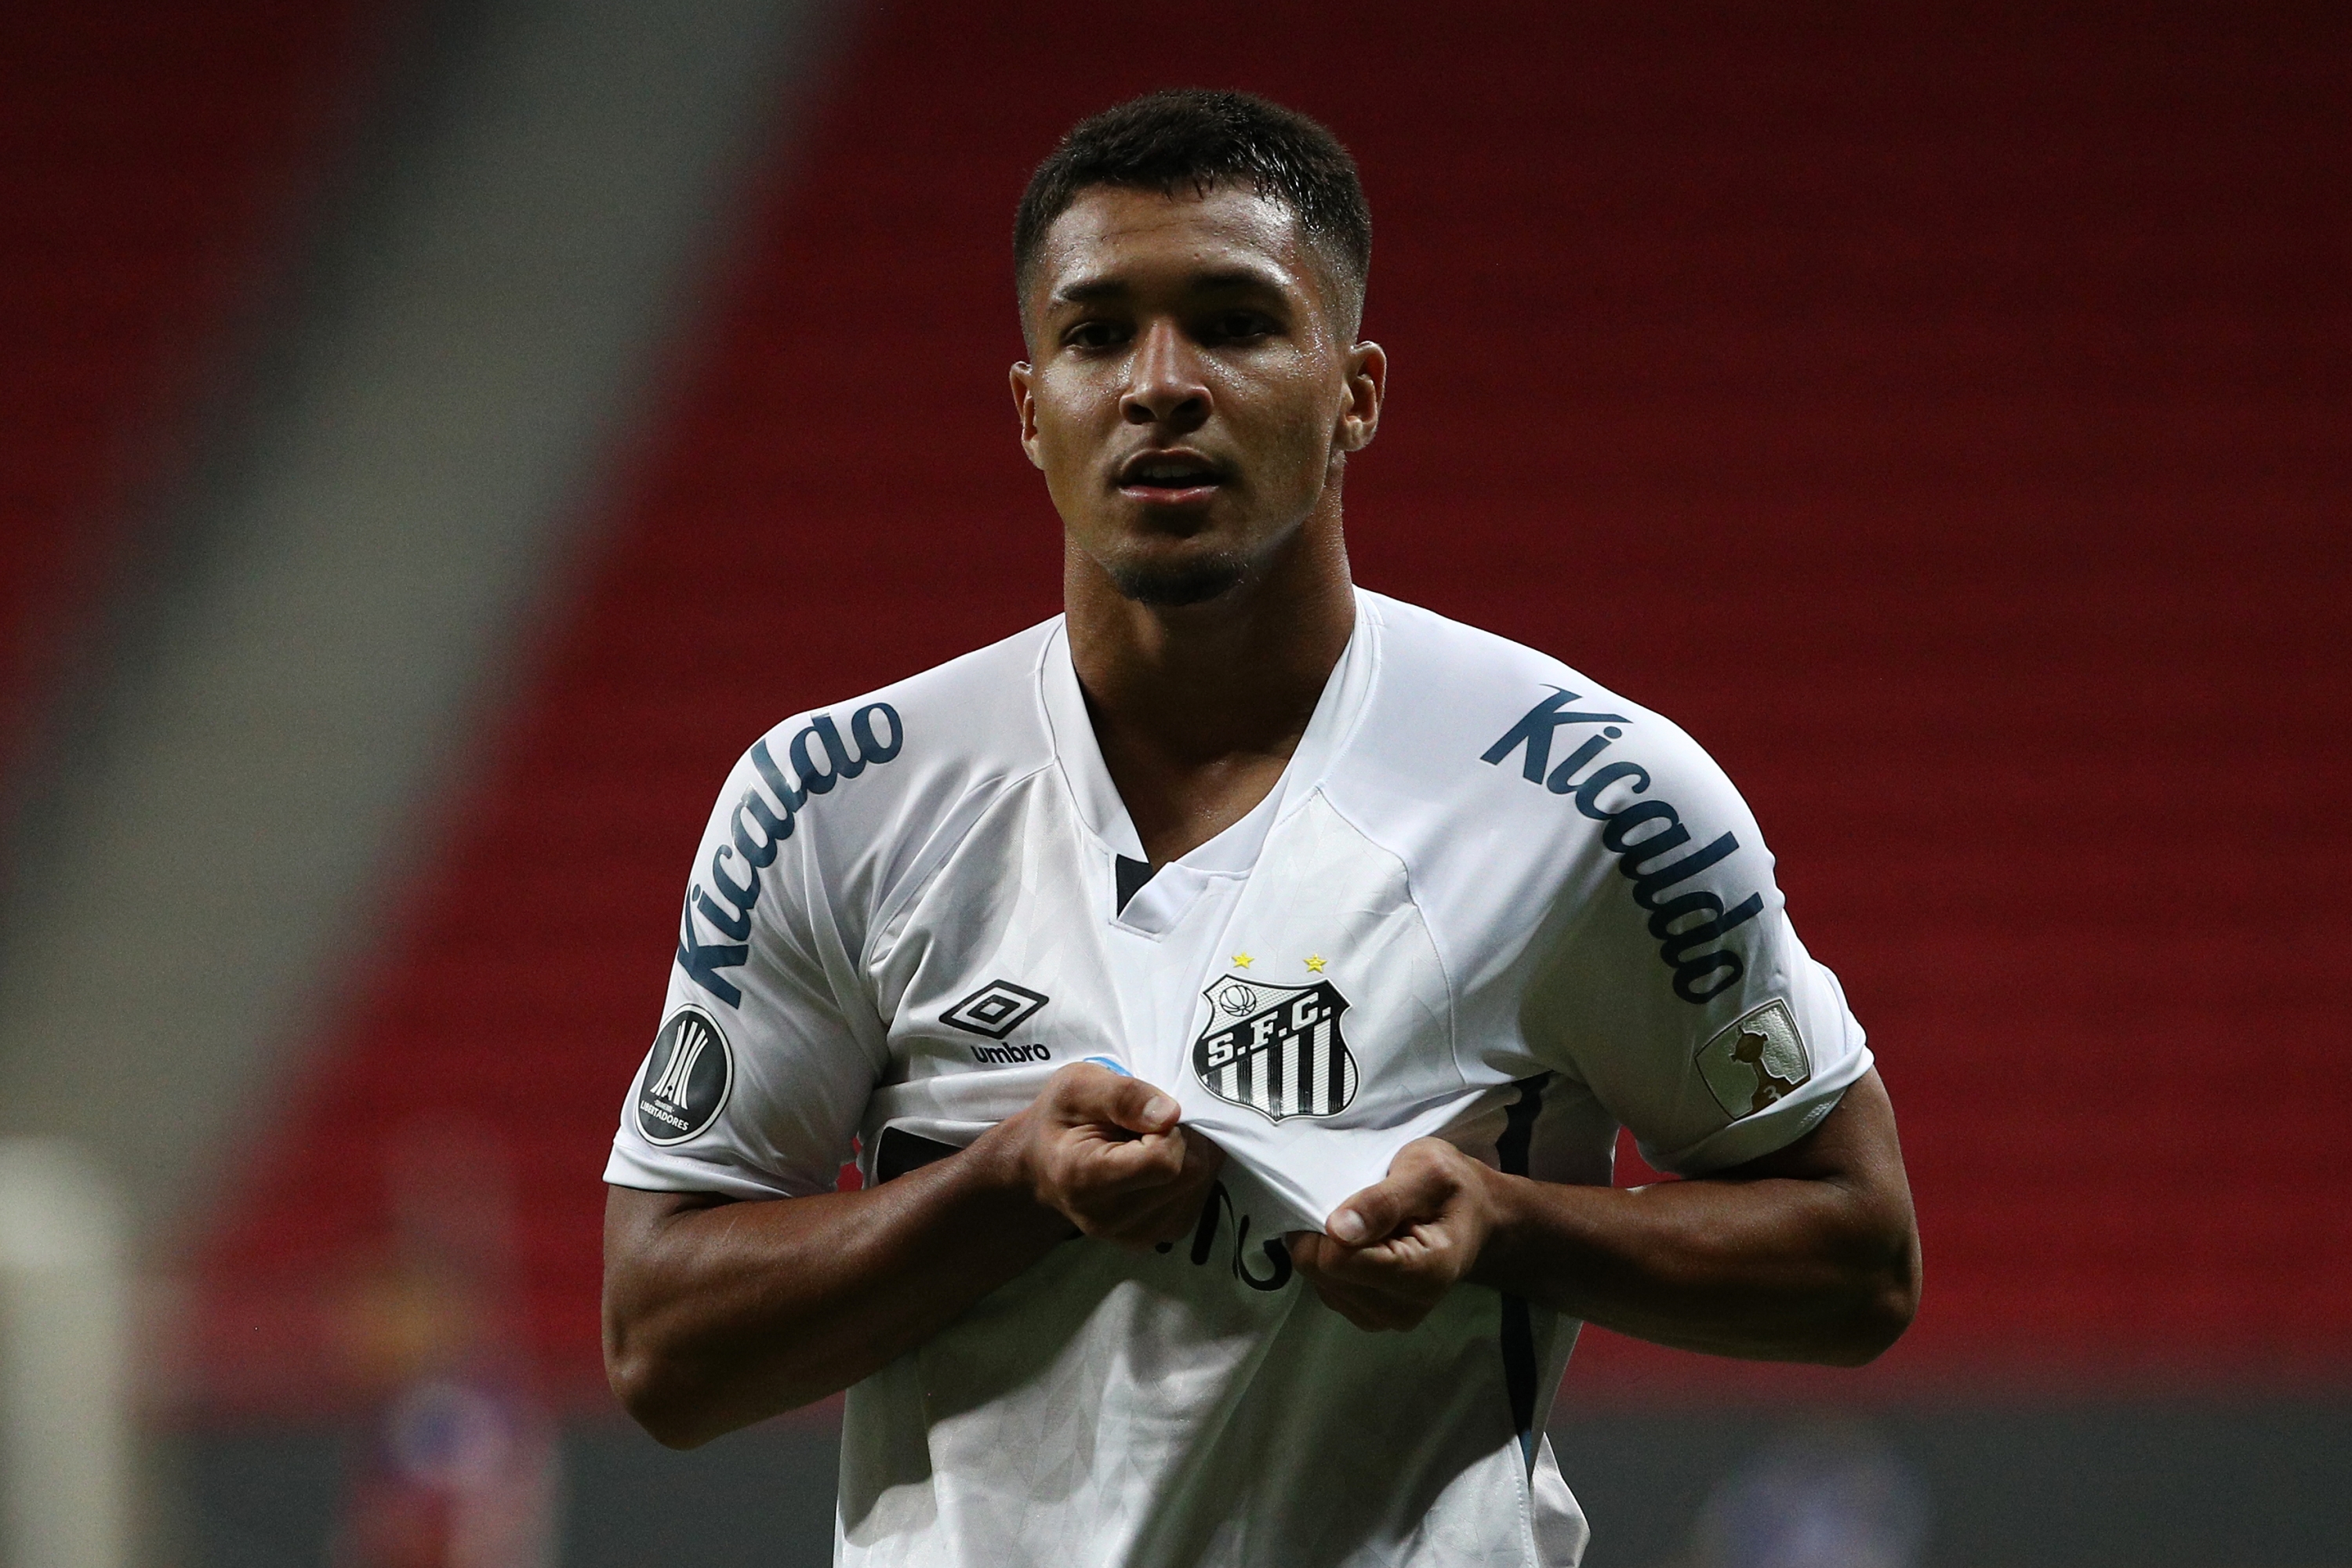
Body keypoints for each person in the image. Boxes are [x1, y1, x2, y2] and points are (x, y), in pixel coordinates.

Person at [601, 89, 1921, 1566]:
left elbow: (1857, 1261)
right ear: (1033, 408)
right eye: (1098, 334)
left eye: (1234, 323)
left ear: (1354, 392)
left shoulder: (1593, 794)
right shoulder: (835, 797)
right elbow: (664, 1348)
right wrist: (1005, 1183)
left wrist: (1513, 1223)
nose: (1162, 384)